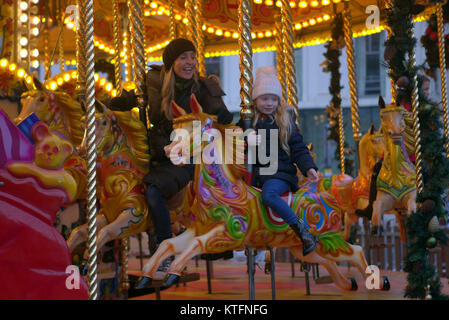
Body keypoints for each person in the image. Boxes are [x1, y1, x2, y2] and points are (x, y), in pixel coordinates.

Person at [109, 38, 234, 280]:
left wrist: (221, 112)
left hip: (186, 157)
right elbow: (131, 100)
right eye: (183, 58)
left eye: (192, 57)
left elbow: (220, 111)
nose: (189, 63)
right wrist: (111, 103)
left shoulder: (203, 87)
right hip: (155, 151)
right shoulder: (153, 81)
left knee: (154, 190)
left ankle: (163, 250)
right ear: (171, 62)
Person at [237, 66, 319, 256]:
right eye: (265, 98)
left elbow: (298, 147)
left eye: (274, 99)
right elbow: (232, 141)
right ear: (255, 99)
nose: (269, 103)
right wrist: (243, 139)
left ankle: (302, 231)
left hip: (279, 174)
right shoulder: (248, 121)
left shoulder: (285, 120)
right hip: (256, 176)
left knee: (269, 195)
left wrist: (308, 168)